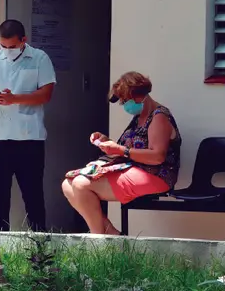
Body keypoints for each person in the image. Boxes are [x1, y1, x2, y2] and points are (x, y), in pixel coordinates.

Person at [62, 72, 181, 235]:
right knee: (68, 185)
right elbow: (130, 149)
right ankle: (112, 237)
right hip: (133, 169)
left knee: (81, 185)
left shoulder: (158, 117)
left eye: (126, 100)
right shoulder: (139, 117)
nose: (125, 105)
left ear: (140, 97)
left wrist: (120, 150)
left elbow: (157, 156)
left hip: (156, 175)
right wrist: (106, 141)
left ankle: (98, 240)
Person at [0, 19, 56, 231]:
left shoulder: (40, 58)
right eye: (3, 46)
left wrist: (16, 98)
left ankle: (39, 248)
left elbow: (46, 94)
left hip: (29, 138)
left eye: (12, 46)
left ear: (23, 40)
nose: (7, 50)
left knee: (33, 197)